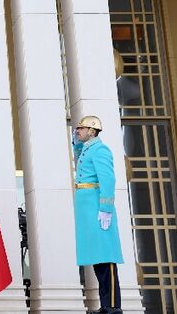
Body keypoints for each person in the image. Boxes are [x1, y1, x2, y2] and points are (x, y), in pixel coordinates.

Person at [73, 115, 123, 314]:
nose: (78, 131)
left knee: (106, 257)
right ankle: (105, 305)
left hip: (97, 207)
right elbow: (79, 157)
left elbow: (108, 180)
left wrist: (106, 209)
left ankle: (112, 306)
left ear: (92, 131)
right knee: (97, 256)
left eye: (81, 129)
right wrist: (75, 141)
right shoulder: (87, 148)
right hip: (87, 209)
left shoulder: (100, 149)